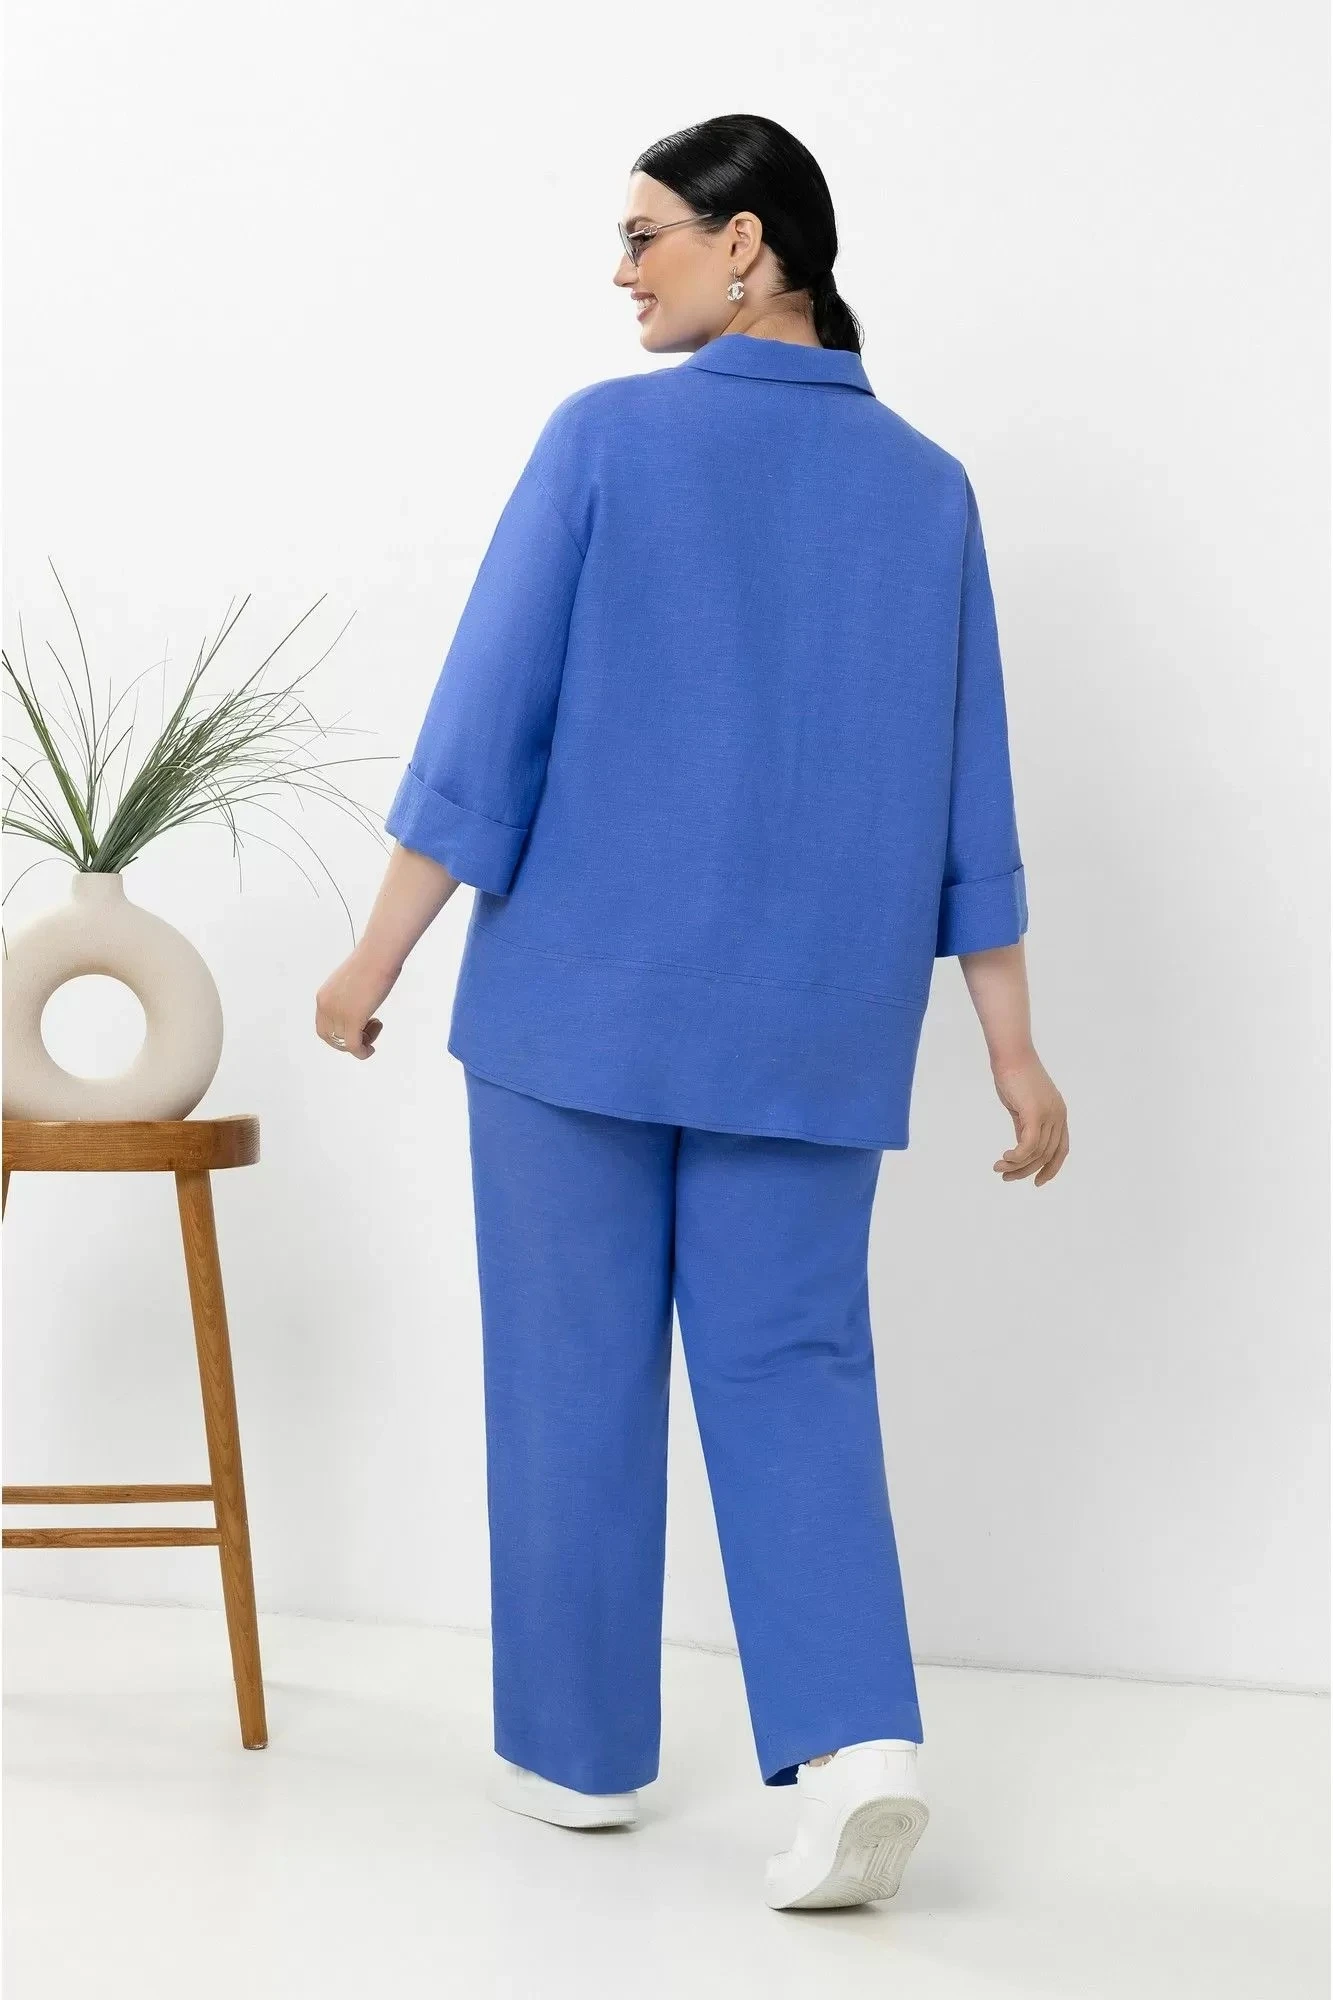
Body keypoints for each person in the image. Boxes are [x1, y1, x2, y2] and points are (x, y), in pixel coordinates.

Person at [315, 112, 1069, 1912]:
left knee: (569, 1369)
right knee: (792, 1368)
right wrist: (1013, 1046)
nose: (622, 270)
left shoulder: (605, 440)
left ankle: (573, 1758)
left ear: (749, 245)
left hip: (575, 1013)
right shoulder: (929, 487)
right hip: (812, 1030)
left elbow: (488, 725)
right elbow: (970, 792)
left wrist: (375, 956)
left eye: (646, 233)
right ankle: (861, 1751)